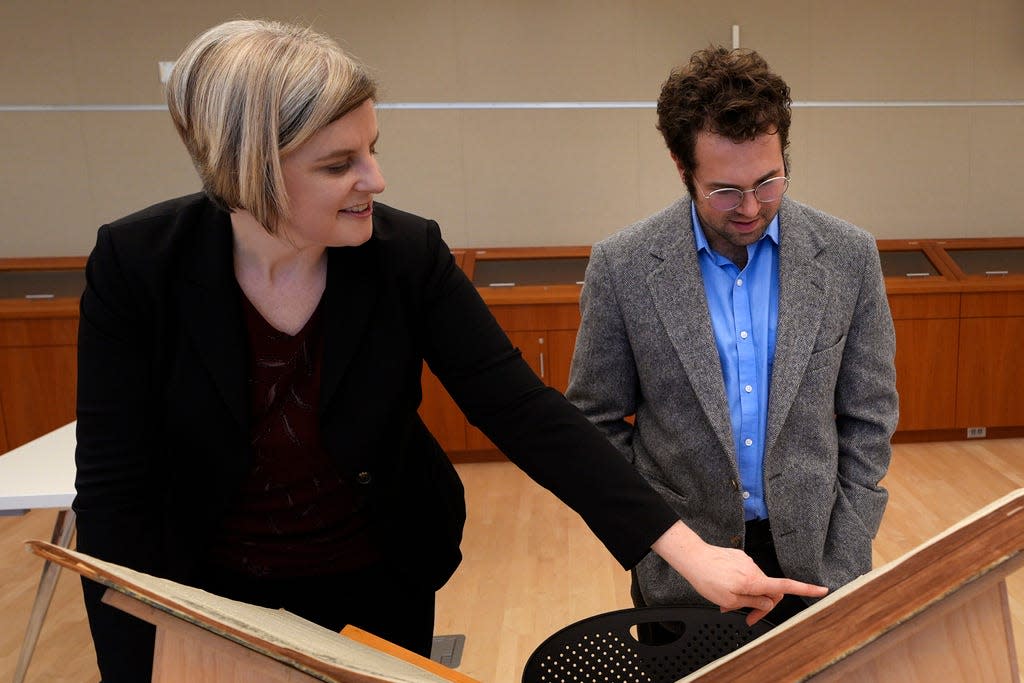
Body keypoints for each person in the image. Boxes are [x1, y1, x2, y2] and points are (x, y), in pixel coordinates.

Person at [73, 22, 827, 681]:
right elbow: (114, 494)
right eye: (339, 164)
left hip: (378, 576)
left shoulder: (406, 255)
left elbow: (524, 411)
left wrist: (687, 551)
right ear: (249, 166)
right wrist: (130, 664)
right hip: (212, 587)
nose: (375, 178)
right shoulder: (137, 265)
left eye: (371, 149)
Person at [567, 46, 898, 628]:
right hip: (683, 574)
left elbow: (869, 417)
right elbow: (595, 424)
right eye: (724, 189)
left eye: (768, 181)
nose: (750, 207)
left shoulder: (849, 256)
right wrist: (657, 544)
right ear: (680, 165)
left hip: (820, 563)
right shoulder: (622, 267)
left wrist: (845, 553)